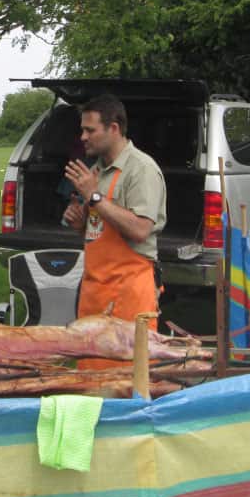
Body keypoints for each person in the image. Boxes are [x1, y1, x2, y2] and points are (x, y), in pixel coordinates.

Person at [63, 95, 167, 369]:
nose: (83, 137)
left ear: (114, 128)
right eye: (82, 130)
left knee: (127, 379)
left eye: (90, 130)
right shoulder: (96, 171)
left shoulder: (141, 169)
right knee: (90, 379)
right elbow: (99, 231)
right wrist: (81, 224)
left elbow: (140, 229)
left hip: (129, 295)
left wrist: (94, 197)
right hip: (93, 294)